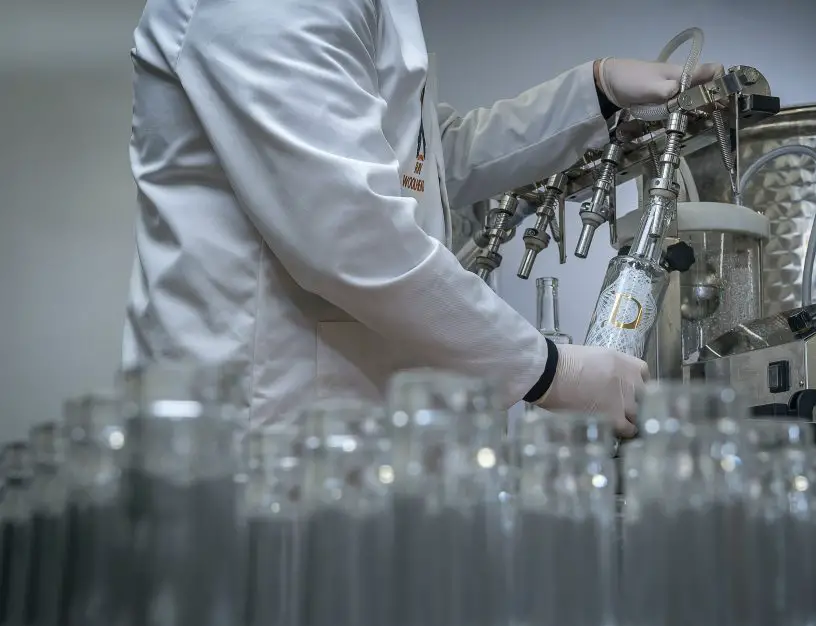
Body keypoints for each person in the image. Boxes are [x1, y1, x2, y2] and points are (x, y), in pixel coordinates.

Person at [123, 0, 720, 438]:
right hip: (258, 424)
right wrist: (549, 371)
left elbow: (427, 159)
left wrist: (593, 91)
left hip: (336, 422)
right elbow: (349, 234)